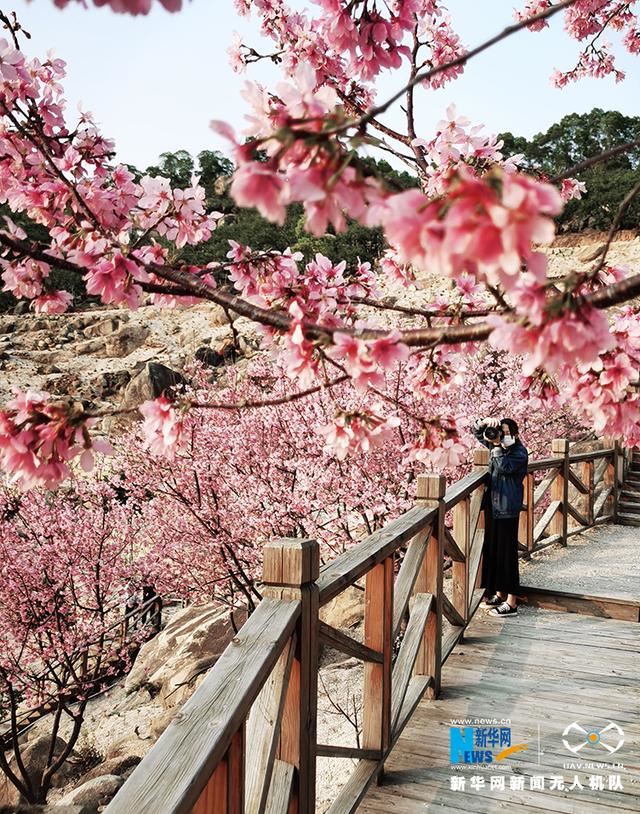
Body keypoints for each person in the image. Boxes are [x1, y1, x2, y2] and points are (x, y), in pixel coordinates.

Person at [472, 416, 528, 617]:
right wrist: (486, 422)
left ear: (515, 433)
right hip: (495, 508)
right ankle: (499, 593)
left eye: (505, 431)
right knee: (495, 551)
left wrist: (497, 447)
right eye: (500, 431)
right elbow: (477, 431)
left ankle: (512, 603)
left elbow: (505, 467)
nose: (501, 435)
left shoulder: (519, 452)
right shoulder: (498, 448)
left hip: (507, 510)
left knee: (507, 555)